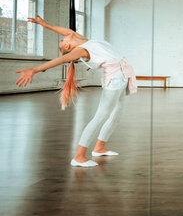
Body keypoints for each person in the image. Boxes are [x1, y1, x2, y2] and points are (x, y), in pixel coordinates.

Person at [15, 15, 137, 168]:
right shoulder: (81, 50)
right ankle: (79, 156)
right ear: (67, 47)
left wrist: (46, 25)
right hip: (114, 79)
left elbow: (68, 31)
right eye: (62, 40)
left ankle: (99, 148)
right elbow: (60, 60)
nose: (64, 36)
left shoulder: (86, 41)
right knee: (101, 116)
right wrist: (35, 69)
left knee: (117, 115)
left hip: (123, 76)